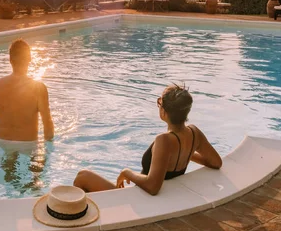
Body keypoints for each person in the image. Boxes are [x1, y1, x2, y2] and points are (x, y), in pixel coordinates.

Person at [74, 84, 221, 196]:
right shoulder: (194, 133)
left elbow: (152, 187)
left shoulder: (164, 140)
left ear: (163, 111)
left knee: (83, 177)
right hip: (160, 196)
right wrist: (186, 153)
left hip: (141, 198)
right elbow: (216, 162)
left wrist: (127, 173)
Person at [0, 39, 54, 149]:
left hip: (3, 141)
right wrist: (49, 148)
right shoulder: (38, 88)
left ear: (10, 60)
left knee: (7, 165)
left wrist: (4, 131)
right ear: (30, 59)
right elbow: (47, 125)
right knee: (36, 165)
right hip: (28, 143)